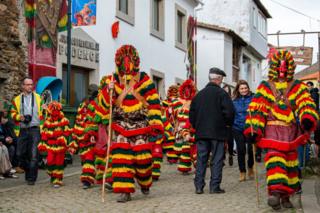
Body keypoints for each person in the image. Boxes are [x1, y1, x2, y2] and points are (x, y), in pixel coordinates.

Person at [244, 50, 318, 210]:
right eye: (279, 67)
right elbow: (257, 108)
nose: (282, 71)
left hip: (291, 132)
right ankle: (275, 193)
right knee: (275, 160)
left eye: (285, 68)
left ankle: (286, 197)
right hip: (272, 131)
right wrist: (253, 128)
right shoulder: (265, 87)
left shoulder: (298, 86)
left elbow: (306, 103)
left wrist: (307, 118)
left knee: (291, 163)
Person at [88, 45, 163, 202]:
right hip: (120, 127)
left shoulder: (145, 79)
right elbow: (103, 106)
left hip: (140, 126)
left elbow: (154, 102)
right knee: (122, 159)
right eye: (123, 61)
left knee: (143, 160)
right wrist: (107, 91)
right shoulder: (112, 80)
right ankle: (125, 191)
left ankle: (145, 182)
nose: (126, 64)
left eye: (129, 61)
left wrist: (155, 123)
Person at [189, 67, 235, 194]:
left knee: (201, 159)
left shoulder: (198, 95)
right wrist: (227, 125)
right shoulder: (222, 94)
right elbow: (230, 113)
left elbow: (191, 116)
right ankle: (214, 187)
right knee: (217, 159)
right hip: (218, 133)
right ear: (219, 79)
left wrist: (197, 126)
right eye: (221, 80)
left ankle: (199, 186)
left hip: (201, 133)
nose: (221, 82)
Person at [10, 77, 44, 185]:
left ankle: (31, 179)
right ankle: (29, 170)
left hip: (35, 129)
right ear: (23, 86)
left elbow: (44, 112)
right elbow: (12, 112)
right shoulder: (16, 99)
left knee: (34, 155)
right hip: (22, 129)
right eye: (28, 84)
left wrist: (46, 109)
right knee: (20, 154)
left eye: (31, 84)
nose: (30, 86)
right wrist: (19, 117)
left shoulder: (39, 98)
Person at [38, 101, 70, 188]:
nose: (55, 111)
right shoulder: (47, 121)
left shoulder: (64, 120)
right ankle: (52, 175)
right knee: (50, 161)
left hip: (60, 145)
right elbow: (43, 131)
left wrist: (63, 139)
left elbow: (67, 132)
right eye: (53, 109)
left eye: (56, 109)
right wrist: (43, 143)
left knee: (59, 162)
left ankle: (57, 180)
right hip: (51, 145)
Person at [232, 80, 254, 181]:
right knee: (241, 150)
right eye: (241, 88)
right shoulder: (234, 100)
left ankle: (250, 167)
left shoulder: (253, 99)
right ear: (238, 90)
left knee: (250, 150)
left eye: (245, 88)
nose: (244, 90)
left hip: (250, 127)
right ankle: (242, 172)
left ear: (248, 89)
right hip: (237, 127)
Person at [223, 84, 235, 166]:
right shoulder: (219, 100)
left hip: (230, 124)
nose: (226, 92)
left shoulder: (232, 100)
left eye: (227, 91)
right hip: (221, 124)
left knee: (230, 141)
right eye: (224, 90)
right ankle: (222, 158)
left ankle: (230, 154)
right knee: (222, 142)